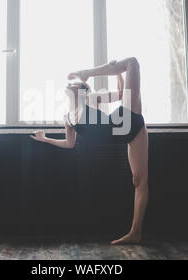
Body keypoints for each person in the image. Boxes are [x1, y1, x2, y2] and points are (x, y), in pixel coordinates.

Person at [30, 57, 149, 245]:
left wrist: (117, 73)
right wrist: (45, 139)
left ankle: (136, 231)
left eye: (76, 82)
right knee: (137, 180)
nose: (71, 83)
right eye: (72, 83)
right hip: (122, 133)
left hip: (127, 119)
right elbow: (69, 144)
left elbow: (120, 93)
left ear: (84, 91)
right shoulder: (68, 118)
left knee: (132, 63)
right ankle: (136, 234)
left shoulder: (92, 99)